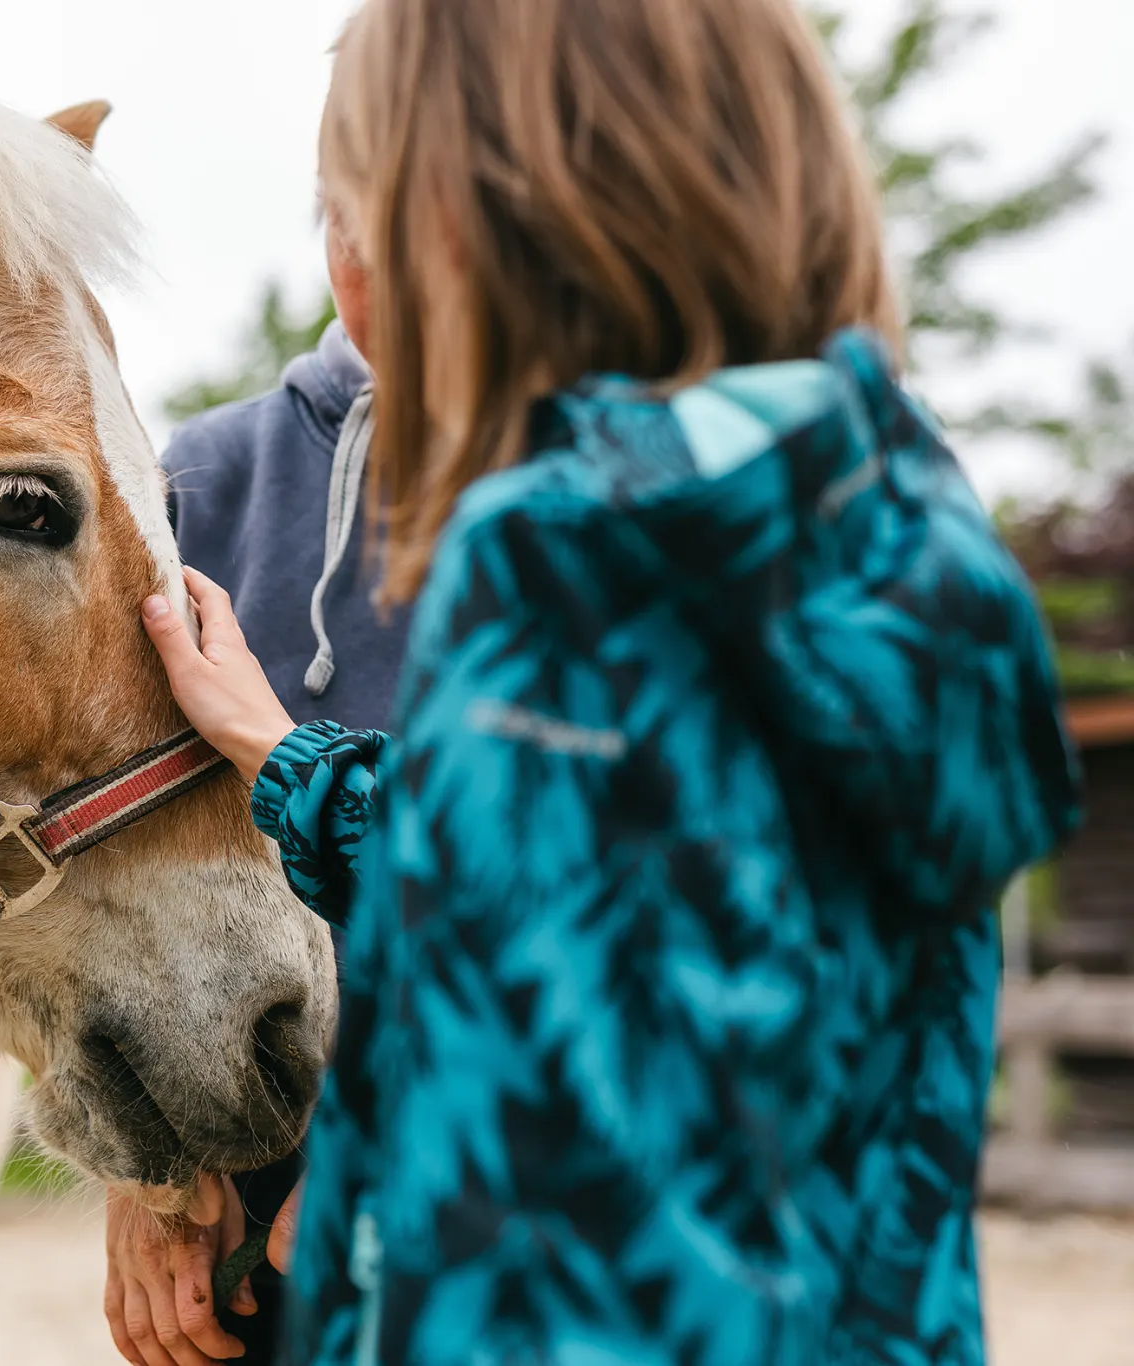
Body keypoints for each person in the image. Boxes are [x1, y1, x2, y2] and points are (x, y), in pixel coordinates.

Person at [139, 0, 1085, 1363]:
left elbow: (546, 1212)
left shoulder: (565, 562)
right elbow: (630, 881)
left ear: (480, 222)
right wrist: (293, 764)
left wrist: (368, 1198)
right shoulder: (888, 518)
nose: (348, 273)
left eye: (365, 206)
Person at [103, 222, 408, 1366]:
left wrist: (407, 1115)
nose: (377, 260)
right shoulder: (208, 475)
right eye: (351, 218)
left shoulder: (605, 500)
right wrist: (147, 1172)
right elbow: (108, 847)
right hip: (244, 1264)